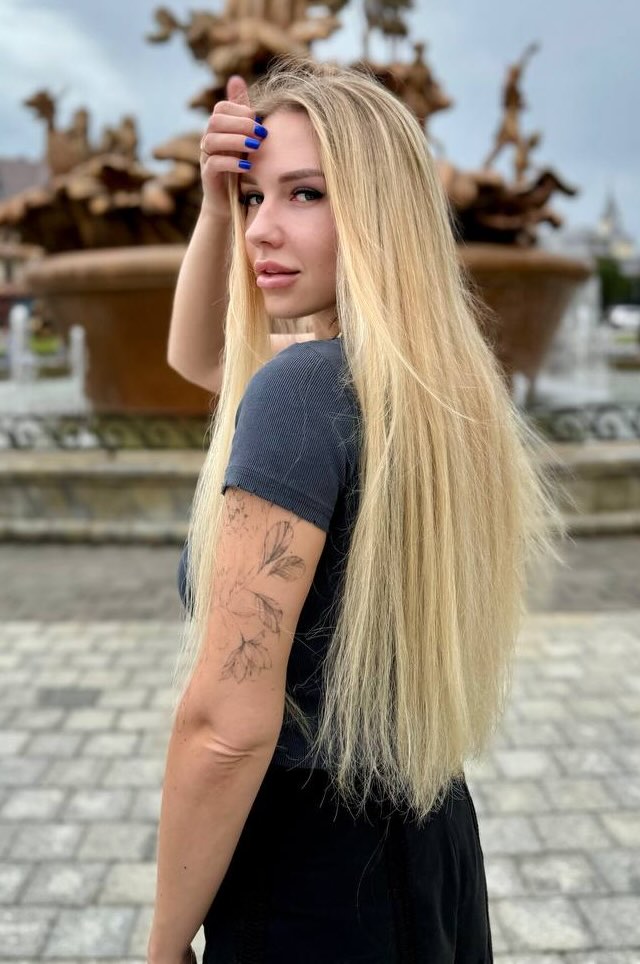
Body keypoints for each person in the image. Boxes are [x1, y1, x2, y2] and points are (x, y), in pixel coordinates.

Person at [148, 57, 564, 964]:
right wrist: (215, 209)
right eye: (255, 198)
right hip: (433, 840)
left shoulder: (304, 390)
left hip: (311, 881)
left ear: (379, 211)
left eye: (305, 193)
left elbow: (225, 727)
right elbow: (199, 358)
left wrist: (163, 944)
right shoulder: (435, 387)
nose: (264, 228)